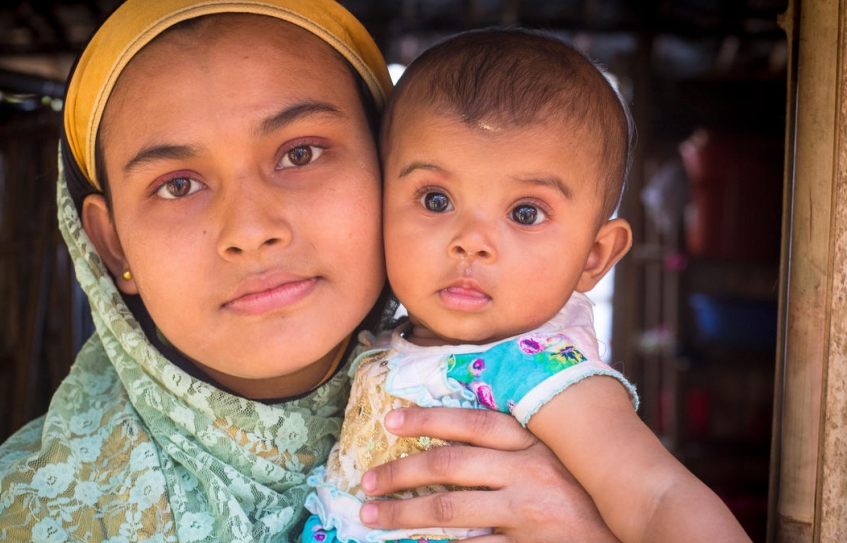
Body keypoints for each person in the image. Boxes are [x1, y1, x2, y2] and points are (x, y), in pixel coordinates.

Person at [0, 2, 624, 542]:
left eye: (300, 153)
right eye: (177, 184)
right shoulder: (37, 515)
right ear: (113, 246)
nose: (250, 229)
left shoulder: (533, 419)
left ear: (387, 171)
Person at [304, 28, 752, 543]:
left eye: (525, 212)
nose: (471, 242)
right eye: (435, 200)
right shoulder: (381, 337)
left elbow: (658, 497)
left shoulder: (537, 368)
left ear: (593, 256)